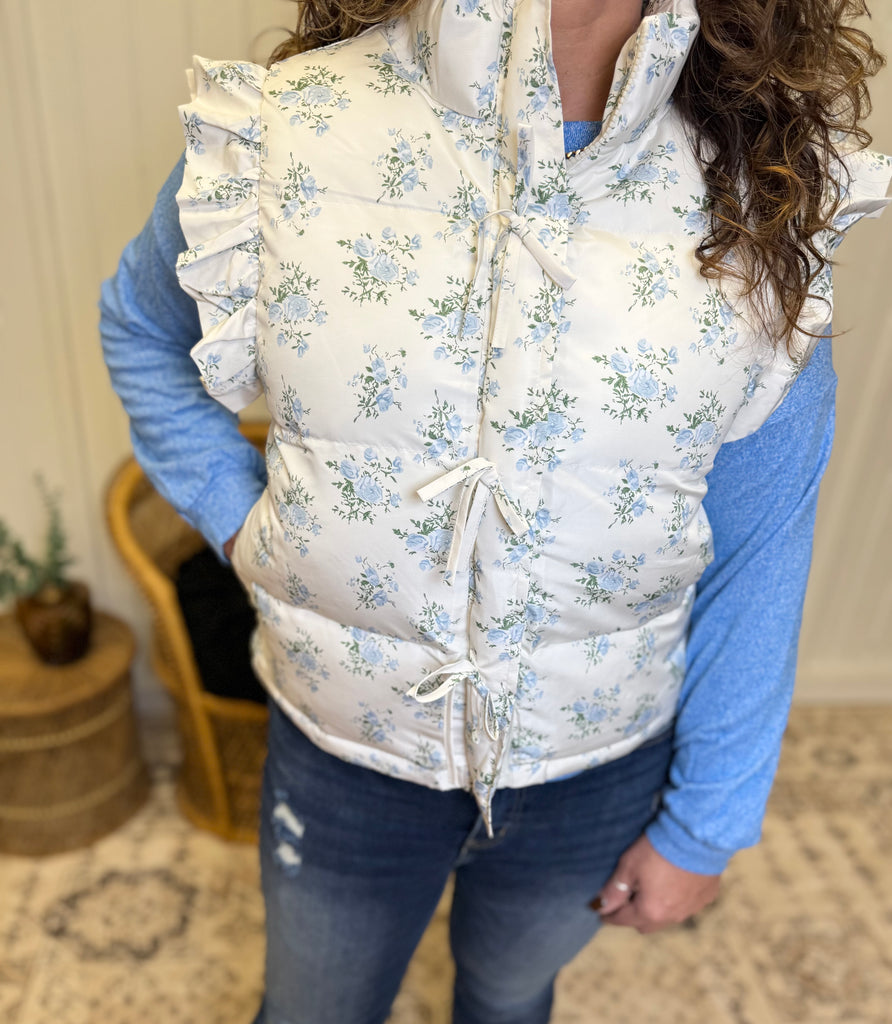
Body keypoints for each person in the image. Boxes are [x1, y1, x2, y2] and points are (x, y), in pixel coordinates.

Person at [100, 0, 890, 1021]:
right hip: (346, 754)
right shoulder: (287, 134)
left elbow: (759, 550)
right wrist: (247, 530)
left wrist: (706, 825)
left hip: (598, 766)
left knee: (511, 1001)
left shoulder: (760, 192)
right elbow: (142, 329)